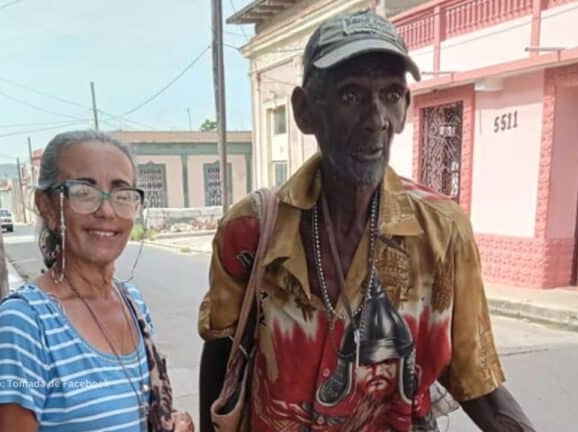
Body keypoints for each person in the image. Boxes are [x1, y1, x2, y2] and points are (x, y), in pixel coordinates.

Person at [199, 10, 536, 432]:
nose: (375, 119)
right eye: (350, 96)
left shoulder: (442, 232)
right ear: (305, 111)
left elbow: (475, 379)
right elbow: (220, 356)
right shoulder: (250, 230)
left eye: (391, 94)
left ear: (405, 109)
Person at [0, 131, 194, 432]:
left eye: (122, 195)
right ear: (46, 206)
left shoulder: (133, 305)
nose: (106, 210)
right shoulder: (25, 324)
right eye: (84, 192)